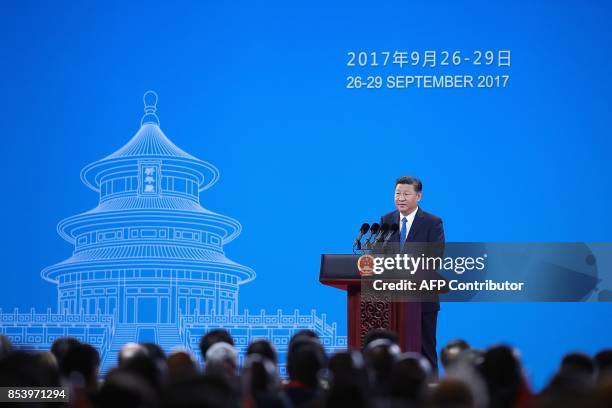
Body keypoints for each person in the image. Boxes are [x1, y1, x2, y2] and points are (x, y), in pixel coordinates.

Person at [380, 176, 444, 372]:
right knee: (390, 351)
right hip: (391, 300)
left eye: (406, 194)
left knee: (425, 350)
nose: (400, 198)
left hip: (422, 299)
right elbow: (380, 254)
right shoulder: (387, 220)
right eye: (397, 194)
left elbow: (435, 256)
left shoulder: (432, 222)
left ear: (418, 196)